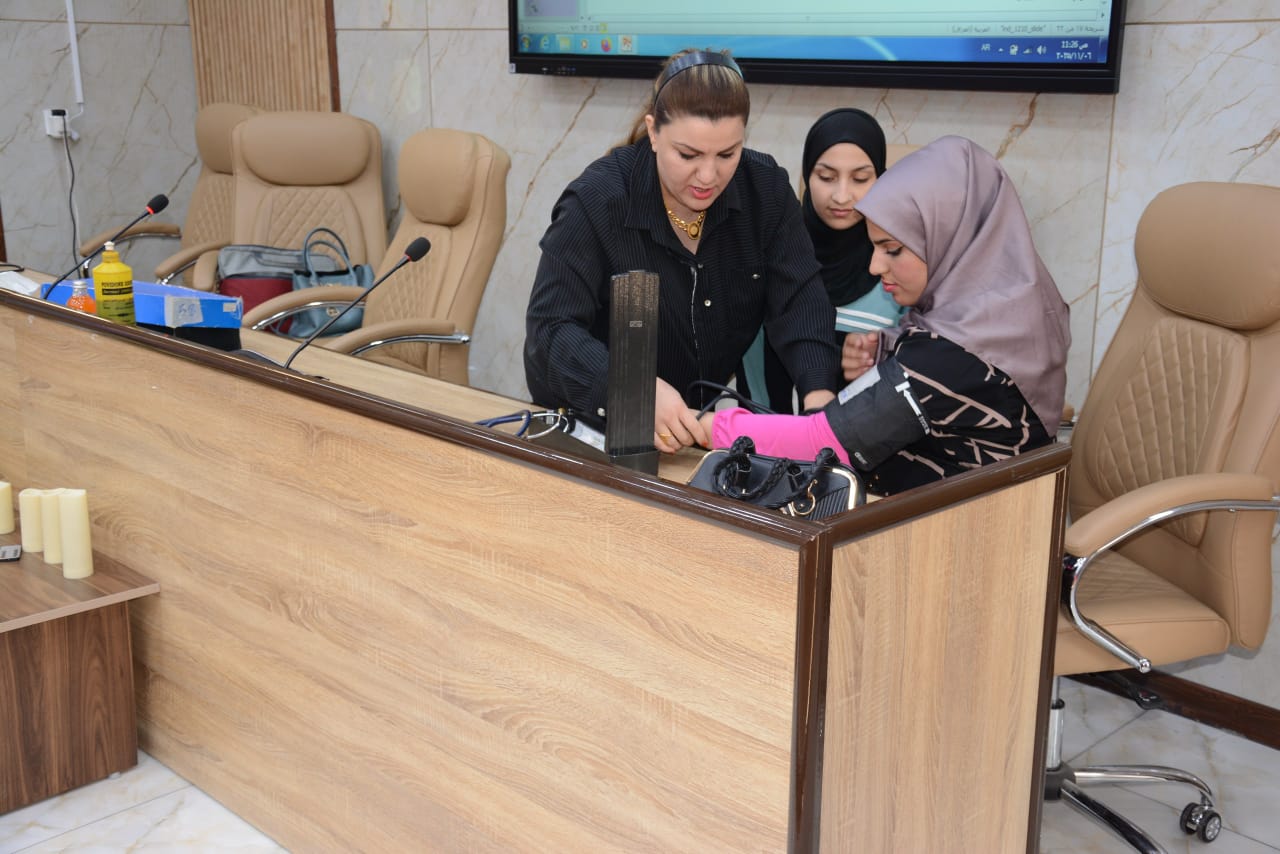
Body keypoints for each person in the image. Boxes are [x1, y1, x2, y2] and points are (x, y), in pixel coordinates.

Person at [698, 136, 1070, 495]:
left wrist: (704, 426)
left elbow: (822, 442)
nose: (875, 267)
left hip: (956, 527)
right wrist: (884, 352)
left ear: (945, 236)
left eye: (892, 250)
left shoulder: (950, 356)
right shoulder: (1017, 308)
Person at [523, 49, 841, 454]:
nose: (708, 176)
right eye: (688, 155)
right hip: (590, 432)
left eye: (727, 154)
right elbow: (551, 330)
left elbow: (800, 302)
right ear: (653, 133)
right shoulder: (598, 200)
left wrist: (818, 399)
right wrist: (631, 387)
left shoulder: (766, 192)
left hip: (689, 438)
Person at [739, 107, 905, 412]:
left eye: (860, 178)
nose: (842, 196)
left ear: (880, 179)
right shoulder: (771, 254)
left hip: (861, 439)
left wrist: (881, 353)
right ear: (807, 174)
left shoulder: (897, 272)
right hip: (760, 435)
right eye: (826, 177)